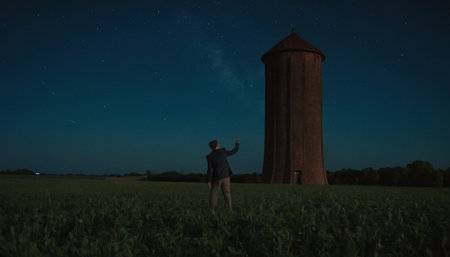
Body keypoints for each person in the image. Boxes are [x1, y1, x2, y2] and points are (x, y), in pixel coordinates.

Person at [206, 137, 240, 213]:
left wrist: (208, 180)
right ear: (217, 145)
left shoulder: (209, 156)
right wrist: (237, 144)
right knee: (227, 194)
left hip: (216, 178)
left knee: (213, 195)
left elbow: (209, 170)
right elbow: (234, 151)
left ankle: (211, 210)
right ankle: (229, 209)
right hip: (226, 177)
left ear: (211, 147)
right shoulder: (223, 152)